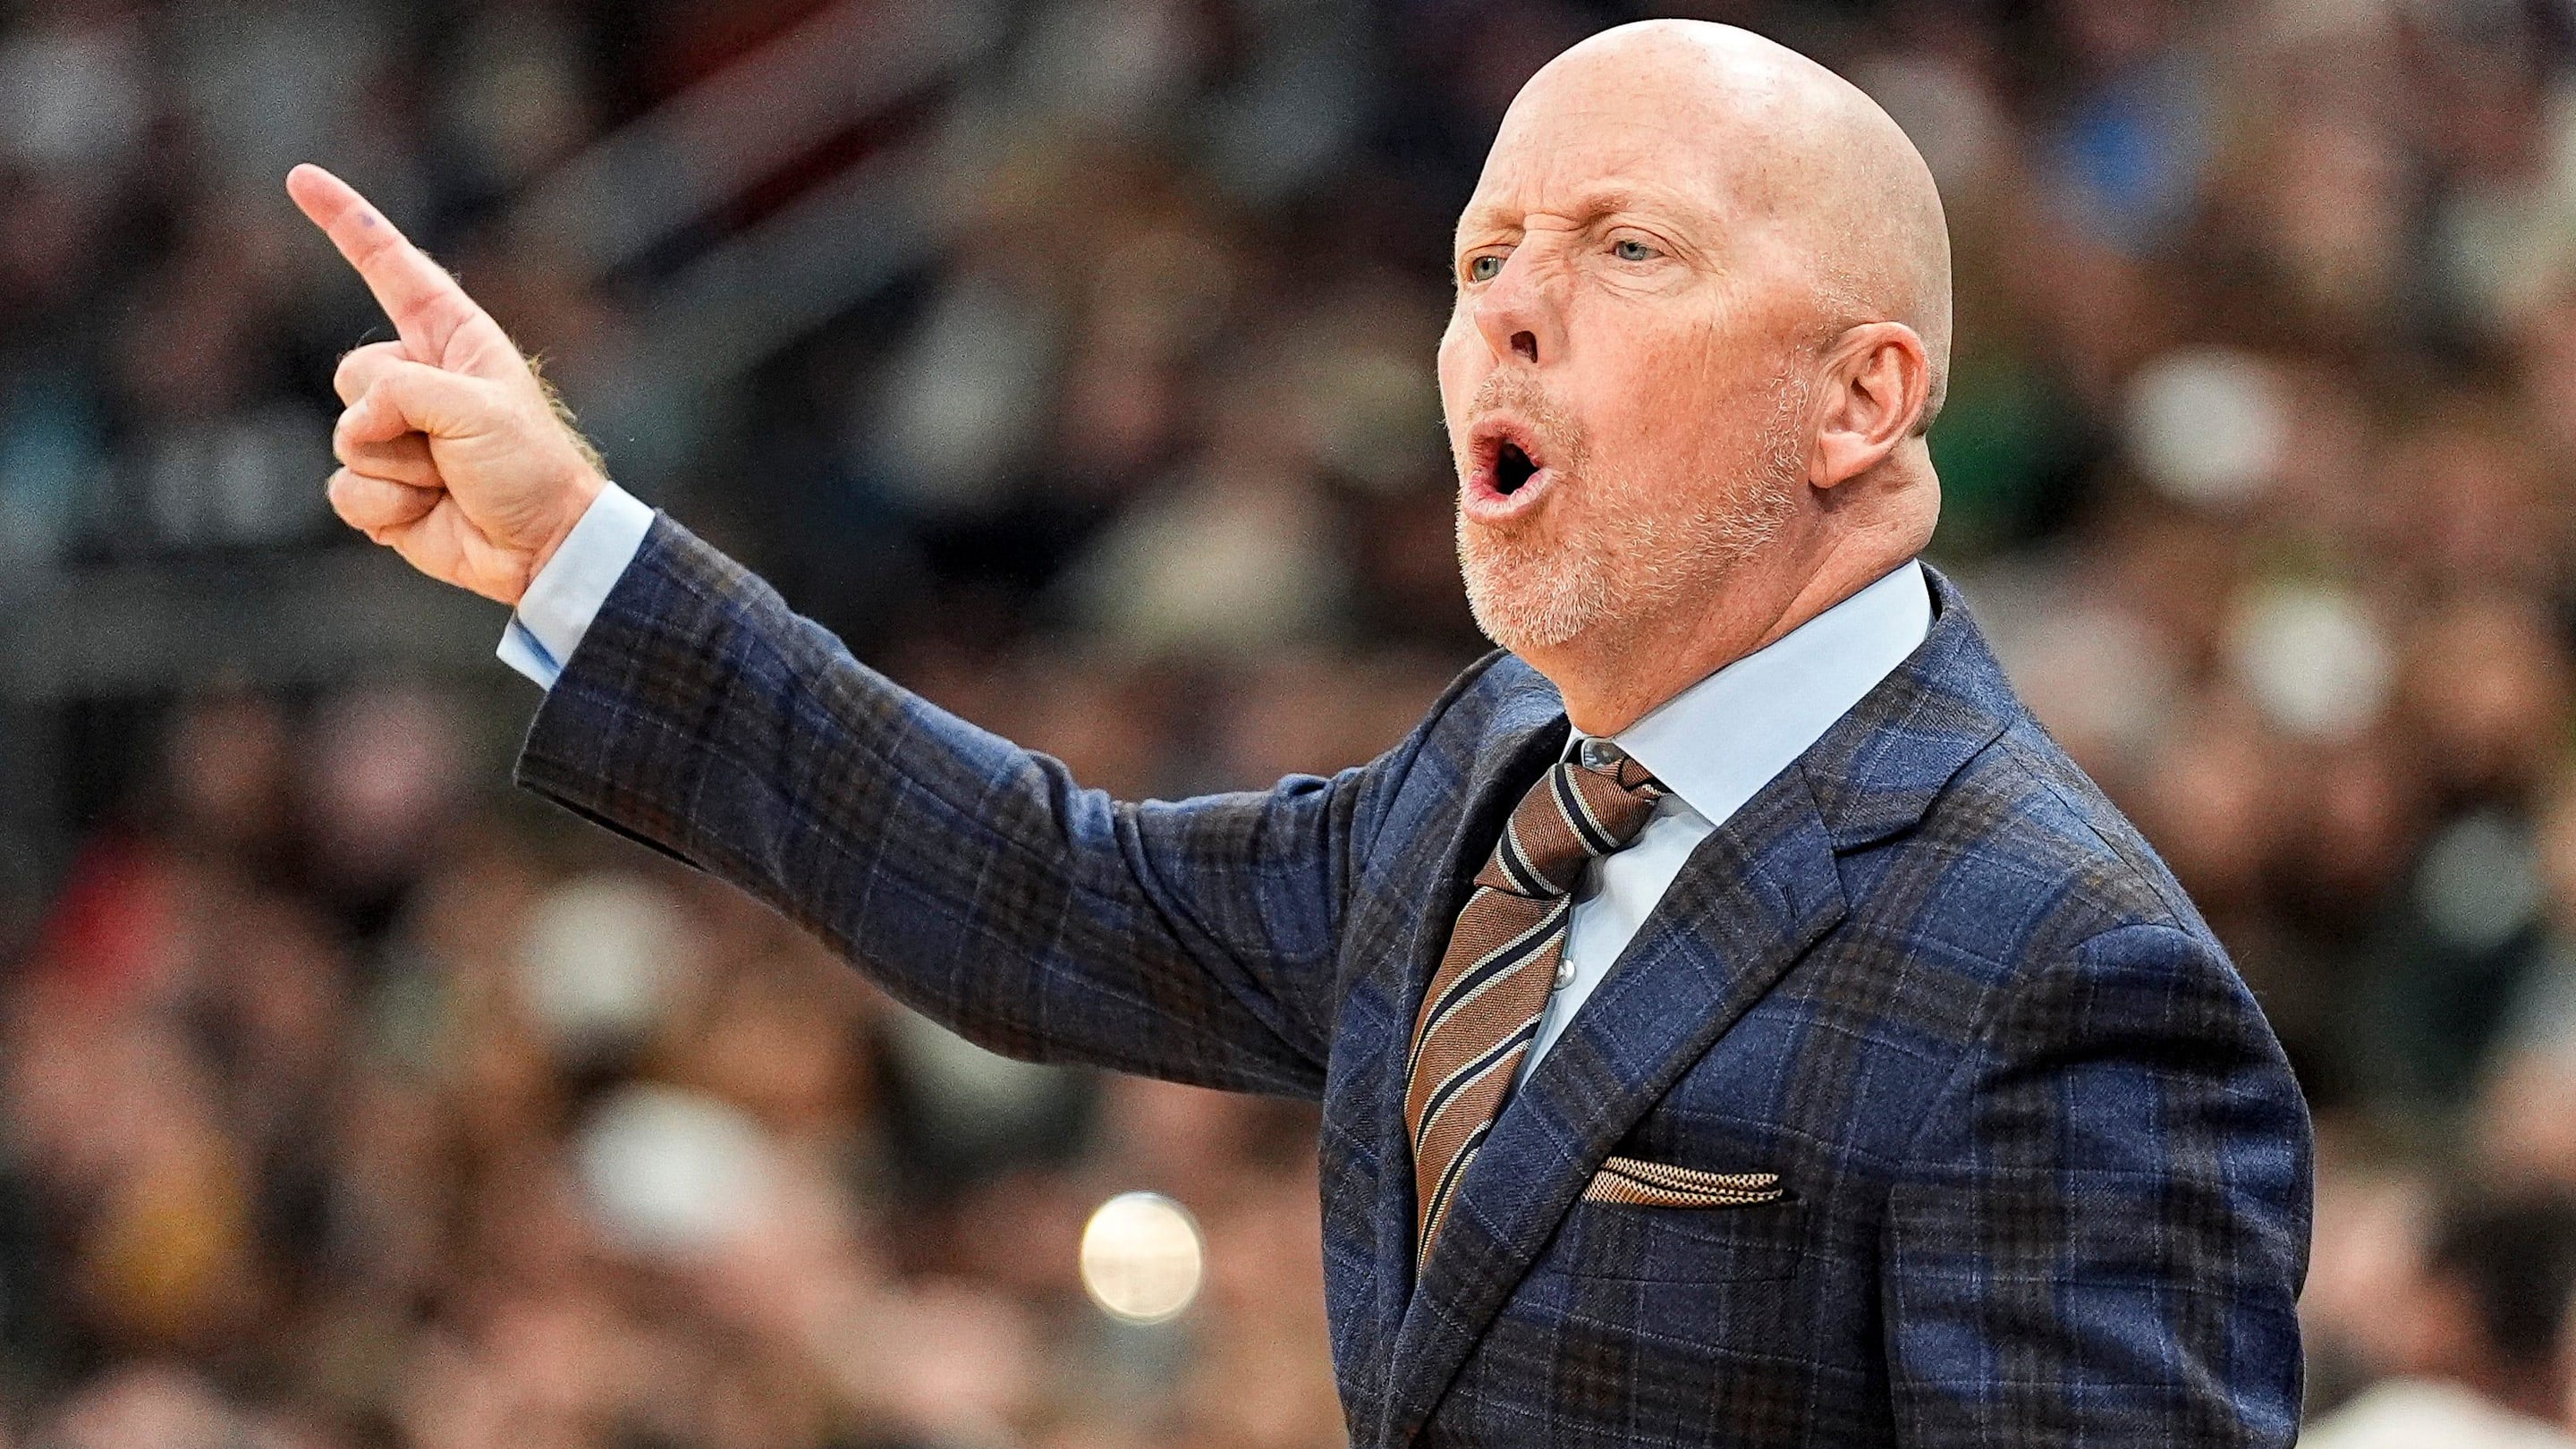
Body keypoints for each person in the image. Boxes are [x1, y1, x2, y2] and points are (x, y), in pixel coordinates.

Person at [285, 19, 2310, 1447]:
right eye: (1482, 255)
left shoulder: (2069, 974)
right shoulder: (1487, 781)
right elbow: (1040, 898)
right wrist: (580, 546)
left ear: (1861, 404)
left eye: (1628, 249)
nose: (1506, 309)